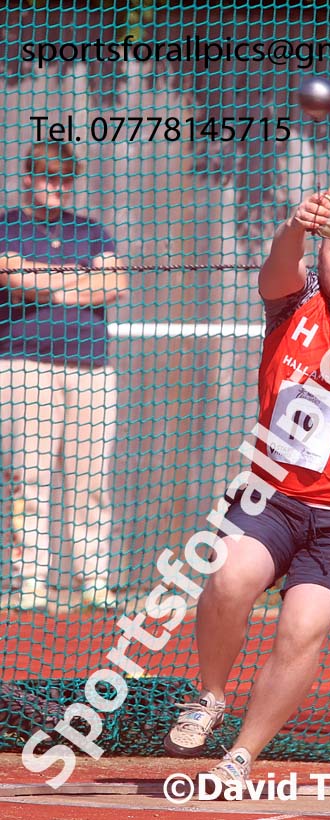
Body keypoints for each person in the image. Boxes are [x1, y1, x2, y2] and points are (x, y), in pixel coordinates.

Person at [163, 187, 330, 793]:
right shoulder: (291, 307)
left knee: (300, 628)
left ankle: (243, 756)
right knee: (229, 579)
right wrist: (295, 227)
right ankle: (210, 697)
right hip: (272, 497)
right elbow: (278, 269)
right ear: (320, 257)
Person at [0, 142, 128, 609]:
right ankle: (31, 582)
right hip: (24, 368)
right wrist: (76, 280)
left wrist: (47, 282)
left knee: (90, 480)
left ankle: (93, 581)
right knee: (29, 478)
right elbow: (12, 276)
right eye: (46, 176)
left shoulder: (91, 231)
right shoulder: (7, 225)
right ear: (28, 178)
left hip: (92, 370)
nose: (55, 187)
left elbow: (115, 284)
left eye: (64, 178)